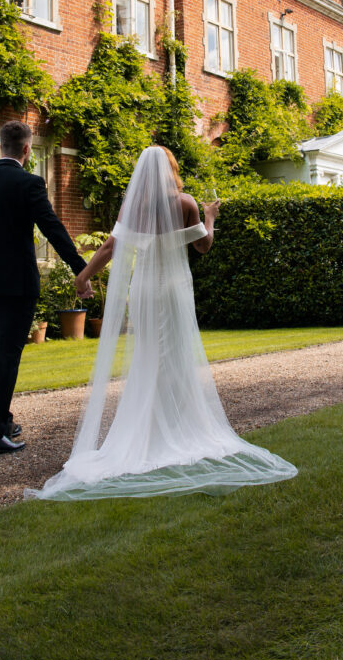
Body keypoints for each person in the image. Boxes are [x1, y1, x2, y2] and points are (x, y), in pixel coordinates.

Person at [25, 146, 297, 500]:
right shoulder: (185, 203)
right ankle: (173, 429)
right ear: (170, 169)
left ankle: (152, 428)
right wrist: (210, 216)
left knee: (150, 356)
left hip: (143, 292)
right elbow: (203, 247)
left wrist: (83, 277)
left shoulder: (131, 207)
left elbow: (109, 247)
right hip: (172, 289)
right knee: (175, 358)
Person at [0, 121, 92, 456]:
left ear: (0, 147)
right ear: (27, 149)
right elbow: (53, 229)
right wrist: (81, 270)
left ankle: (0, 422)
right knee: (6, 356)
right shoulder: (29, 183)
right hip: (16, 283)